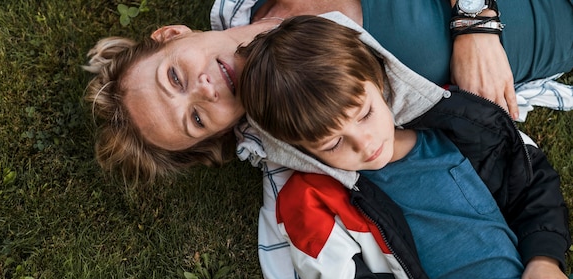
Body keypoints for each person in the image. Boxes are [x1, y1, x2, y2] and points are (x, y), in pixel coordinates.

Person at [237, 15, 573, 279]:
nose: (365, 144)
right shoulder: (314, 204)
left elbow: (532, 182)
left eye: (365, 114)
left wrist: (544, 257)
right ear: (299, 150)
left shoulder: (460, 125)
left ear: (378, 78)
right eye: (333, 144)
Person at [83, 0, 573, 183]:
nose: (204, 92)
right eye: (195, 119)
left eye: (174, 77)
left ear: (172, 35)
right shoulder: (311, 126)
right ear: (226, 132)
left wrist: (475, 21)